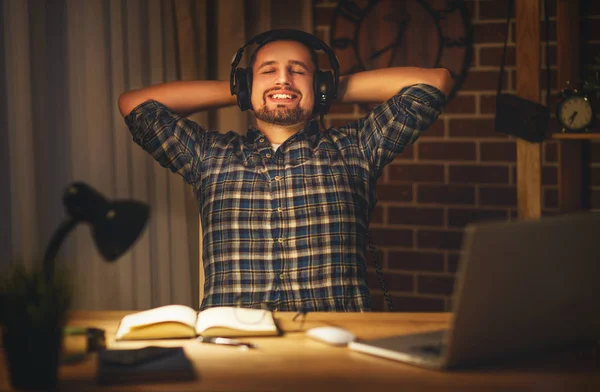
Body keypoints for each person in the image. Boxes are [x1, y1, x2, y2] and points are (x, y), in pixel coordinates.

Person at [119, 29, 451, 313]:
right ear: (247, 82)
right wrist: (240, 88)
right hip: (234, 353)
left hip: (337, 351)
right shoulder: (209, 156)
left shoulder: (357, 148)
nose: (283, 79)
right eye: (268, 71)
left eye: (298, 71)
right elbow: (135, 105)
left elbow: (434, 83)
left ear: (320, 85)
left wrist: (327, 88)